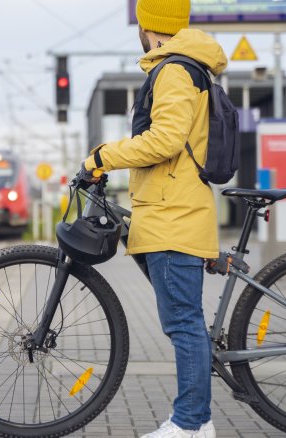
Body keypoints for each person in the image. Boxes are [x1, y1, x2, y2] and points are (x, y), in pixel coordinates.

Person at [77, 1, 228, 437]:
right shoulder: (182, 67)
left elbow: (164, 140)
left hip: (172, 213)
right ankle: (197, 421)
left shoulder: (174, 71)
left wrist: (103, 157)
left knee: (184, 323)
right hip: (168, 208)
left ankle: (190, 426)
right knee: (185, 322)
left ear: (148, 26)